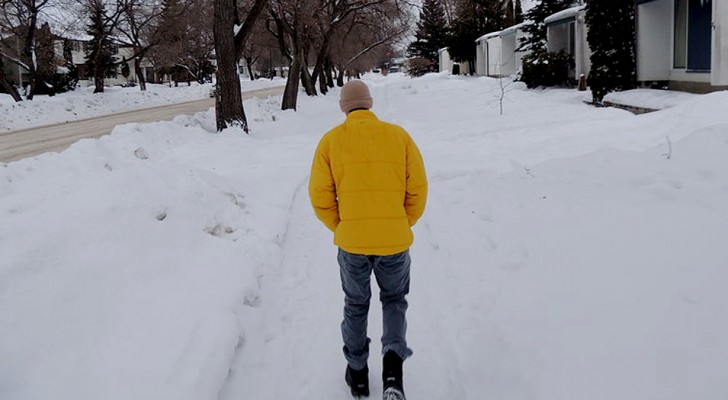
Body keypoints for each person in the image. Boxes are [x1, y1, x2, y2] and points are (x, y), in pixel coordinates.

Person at [308, 80, 428, 399]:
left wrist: (342, 227)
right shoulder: (399, 136)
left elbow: (319, 196)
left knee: (356, 304)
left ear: (343, 107)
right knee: (394, 301)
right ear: (370, 104)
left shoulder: (331, 141)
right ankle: (392, 372)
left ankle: (358, 375)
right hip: (394, 243)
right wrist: (401, 223)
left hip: (353, 245)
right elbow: (418, 188)